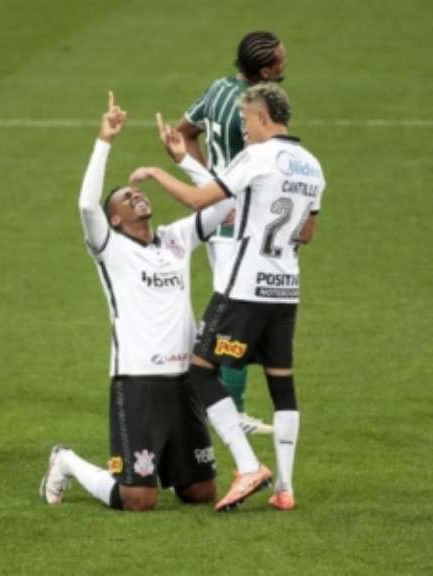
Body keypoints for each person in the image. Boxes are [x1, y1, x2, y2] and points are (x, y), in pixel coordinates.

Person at [132, 82, 326, 511]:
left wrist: (159, 171)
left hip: (242, 290)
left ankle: (246, 464)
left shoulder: (256, 157)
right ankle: (286, 489)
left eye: (245, 120)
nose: (244, 128)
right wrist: (184, 157)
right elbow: (307, 233)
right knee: (282, 385)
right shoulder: (313, 166)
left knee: (200, 371)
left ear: (261, 116)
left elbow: (203, 200)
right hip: (286, 288)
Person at [39, 92, 234, 511]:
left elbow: (227, 203)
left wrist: (183, 161)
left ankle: (166, 467)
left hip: (184, 380)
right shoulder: (110, 249)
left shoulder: (176, 238)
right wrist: (104, 140)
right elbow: (85, 204)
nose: (137, 197)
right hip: (138, 381)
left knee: (201, 492)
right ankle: (67, 461)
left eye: (137, 193)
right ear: (114, 220)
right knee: (138, 500)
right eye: (126, 199)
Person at [175, 30, 288, 435]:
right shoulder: (257, 113)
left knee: (236, 313)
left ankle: (225, 405)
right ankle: (230, 410)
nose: (285, 63)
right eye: (280, 59)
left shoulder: (219, 89)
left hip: (221, 216)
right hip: (240, 225)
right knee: (235, 316)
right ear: (264, 69)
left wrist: (209, 183)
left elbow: (184, 131)